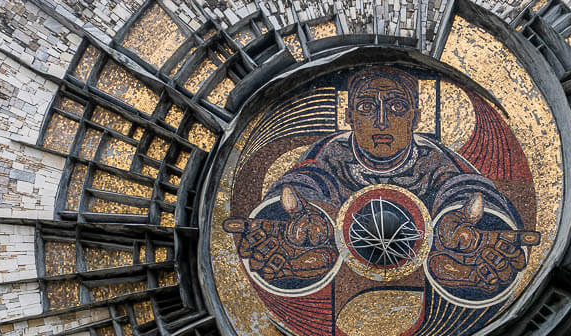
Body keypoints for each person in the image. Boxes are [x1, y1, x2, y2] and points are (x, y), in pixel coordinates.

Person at [224, 66, 538, 298]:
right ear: (348, 117)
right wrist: (304, 220)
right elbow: (307, 183)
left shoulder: (435, 159)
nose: (382, 121)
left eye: (397, 107)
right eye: (366, 108)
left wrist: (465, 228)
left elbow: (465, 189)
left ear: (416, 118)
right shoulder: (331, 154)